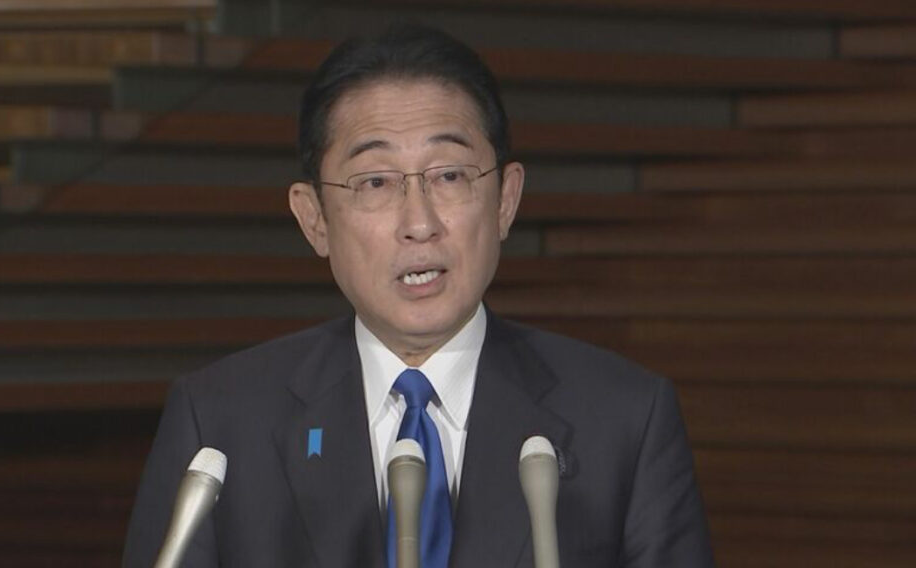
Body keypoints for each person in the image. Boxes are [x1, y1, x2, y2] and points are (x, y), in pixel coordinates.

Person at [123, 25, 714, 568]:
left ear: (506, 200)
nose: (419, 223)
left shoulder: (626, 420)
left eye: (450, 175)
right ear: (314, 219)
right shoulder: (220, 423)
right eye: (375, 182)